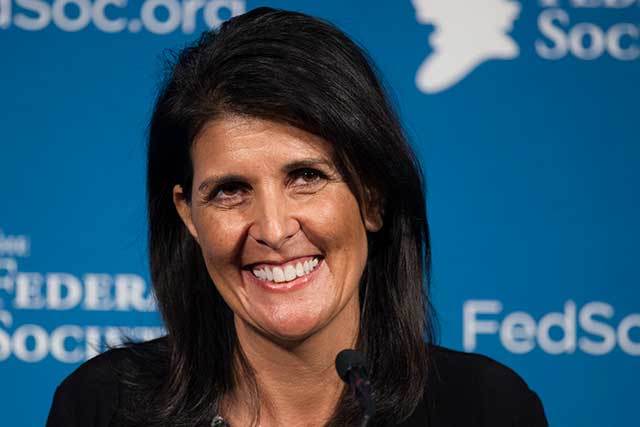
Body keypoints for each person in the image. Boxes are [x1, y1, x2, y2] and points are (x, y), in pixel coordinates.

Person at [46, 7, 547, 427]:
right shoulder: (101, 406)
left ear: (371, 196)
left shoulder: (486, 408)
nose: (272, 228)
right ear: (189, 216)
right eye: (229, 190)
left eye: (306, 177)